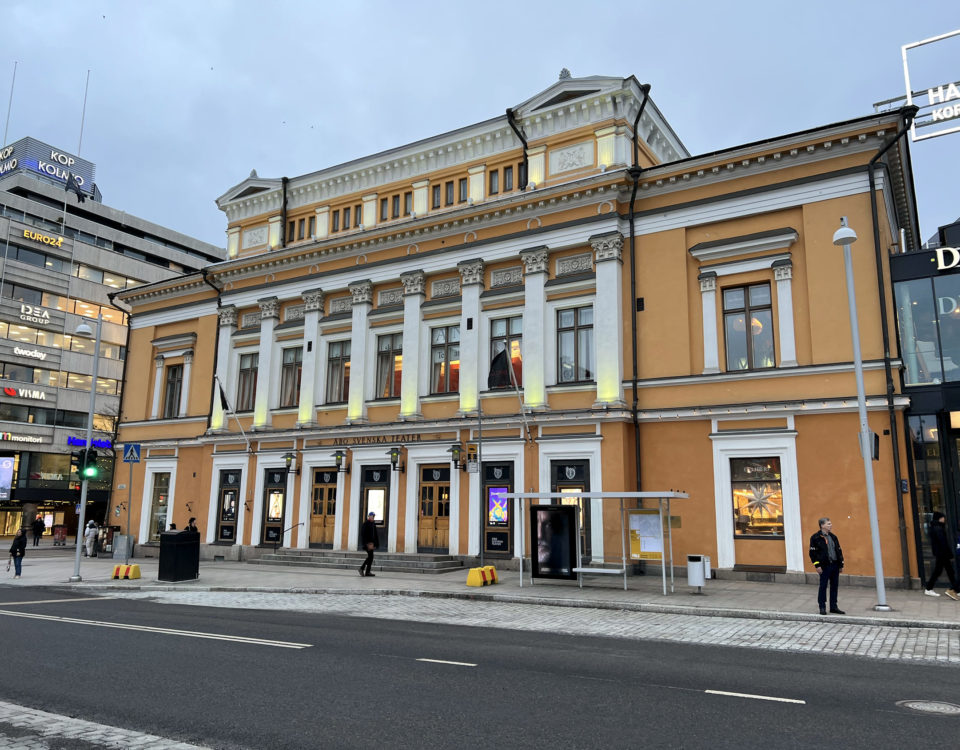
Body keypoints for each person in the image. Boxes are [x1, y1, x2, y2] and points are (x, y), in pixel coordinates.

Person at [809, 517, 845, 615]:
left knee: (834, 587)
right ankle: (822, 606)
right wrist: (817, 566)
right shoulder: (815, 538)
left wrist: (841, 564)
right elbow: (812, 554)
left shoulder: (833, 537)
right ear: (822, 525)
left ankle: (833, 606)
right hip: (824, 566)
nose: (831, 525)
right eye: (828, 524)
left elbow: (839, 550)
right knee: (823, 586)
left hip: (834, 565)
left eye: (830, 523)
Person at [923, 511, 959, 600]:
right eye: (943, 518)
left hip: (941, 553)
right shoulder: (938, 528)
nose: (944, 519)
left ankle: (956, 590)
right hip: (942, 554)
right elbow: (943, 543)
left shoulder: (935, 527)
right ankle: (929, 588)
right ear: (940, 518)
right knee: (941, 571)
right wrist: (949, 553)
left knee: (949, 571)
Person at [359, 511, 379, 577]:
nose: (373, 517)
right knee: (370, 556)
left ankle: (367, 571)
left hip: (372, 543)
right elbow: (363, 534)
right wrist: (365, 544)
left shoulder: (373, 524)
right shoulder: (366, 523)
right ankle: (362, 568)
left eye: (373, 516)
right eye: (372, 516)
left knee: (371, 557)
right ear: (369, 516)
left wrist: (376, 544)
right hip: (367, 544)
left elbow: (375, 535)